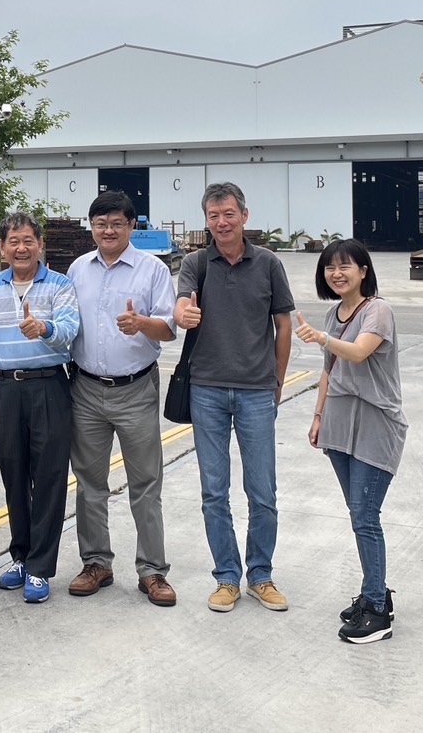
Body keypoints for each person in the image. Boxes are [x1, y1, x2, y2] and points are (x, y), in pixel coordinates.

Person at [175, 182, 295, 613]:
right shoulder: (194, 263)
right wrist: (183, 314)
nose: (222, 222)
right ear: (206, 221)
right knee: (214, 490)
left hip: (257, 392)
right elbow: (180, 305)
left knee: (262, 491)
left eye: (229, 214)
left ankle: (260, 575)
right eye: (214, 215)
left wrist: (277, 381)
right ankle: (226, 577)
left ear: (244, 216)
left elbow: (284, 325)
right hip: (206, 389)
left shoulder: (268, 263)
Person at [66, 191, 179, 608]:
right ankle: (96, 563)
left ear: (132, 226)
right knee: (89, 483)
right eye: (101, 223)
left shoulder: (153, 269)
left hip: (136, 389)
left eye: (117, 223)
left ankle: (152, 570)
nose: (108, 230)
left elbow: (169, 330)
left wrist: (141, 323)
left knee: (145, 483)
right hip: (85, 388)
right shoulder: (77, 269)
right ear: (91, 227)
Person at [295, 238, 407, 644]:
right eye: (330, 267)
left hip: (375, 422)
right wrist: (318, 416)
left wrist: (321, 338)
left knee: (365, 516)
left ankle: (377, 611)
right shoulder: (333, 313)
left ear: (363, 271)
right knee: (358, 514)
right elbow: (330, 370)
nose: (337, 273)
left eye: (345, 266)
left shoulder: (377, 310)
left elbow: (358, 353)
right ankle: (374, 593)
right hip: (340, 423)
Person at [0, 212, 80, 605]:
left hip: (48, 387)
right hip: (6, 390)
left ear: (40, 244)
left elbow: (70, 329)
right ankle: (20, 557)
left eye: (28, 241)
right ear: (2, 248)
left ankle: (40, 567)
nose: (21, 248)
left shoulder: (60, 284)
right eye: (13, 241)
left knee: (50, 478)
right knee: (14, 474)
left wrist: (44, 328)